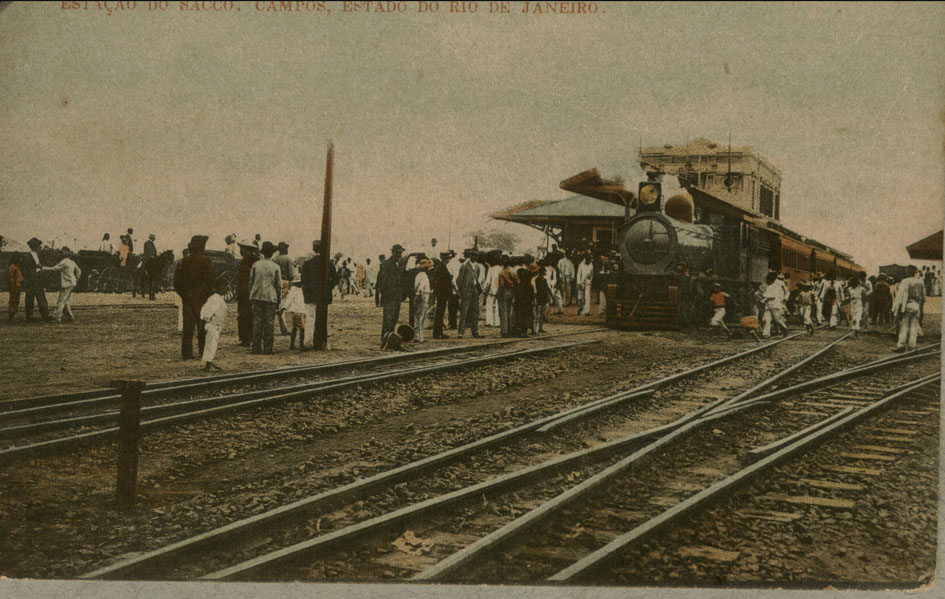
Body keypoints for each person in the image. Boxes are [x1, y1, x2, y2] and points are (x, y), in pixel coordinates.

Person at [173, 235, 213, 360]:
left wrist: (184, 294)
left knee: (188, 327)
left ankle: (187, 353)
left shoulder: (184, 261)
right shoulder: (206, 261)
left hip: (187, 297)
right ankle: (203, 352)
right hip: (201, 298)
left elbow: (176, 282)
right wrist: (204, 294)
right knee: (202, 326)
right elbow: (209, 281)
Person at [300, 239, 337, 350]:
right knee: (322, 319)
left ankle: (308, 342)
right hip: (323, 296)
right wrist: (328, 289)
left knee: (310, 319)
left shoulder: (307, 264)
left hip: (310, 295)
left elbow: (303, 280)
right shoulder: (328, 264)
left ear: (313, 248)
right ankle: (321, 341)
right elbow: (334, 279)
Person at [249, 241, 282, 355]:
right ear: (272, 253)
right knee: (269, 323)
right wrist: (279, 299)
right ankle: (268, 348)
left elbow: (251, 281)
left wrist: (251, 295)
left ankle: (256, 347)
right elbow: (278, 285)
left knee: (257, 322)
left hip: (257, 296)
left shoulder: (255, 265)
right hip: (270, 297)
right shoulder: (276, 267)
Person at [377, 244, 407, 346]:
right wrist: (386, 293)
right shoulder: (386, 264)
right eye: (397, 253)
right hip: (389, 296)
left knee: (394, 317)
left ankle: (390, 338)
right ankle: (385, 339)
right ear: (392, 252)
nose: (399, 255)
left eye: (400, 253)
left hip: (396, 297)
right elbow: (383, 281)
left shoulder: (399, 264)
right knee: (388, 319)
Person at [42, 247, 81, 323]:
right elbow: (79, 271)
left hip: (66, 283)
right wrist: (76, 278)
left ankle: (57, 318)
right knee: (65, 300)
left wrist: (43, 268)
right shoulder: (71, 262)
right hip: (72, 283)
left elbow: (54, 268)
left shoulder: (64, 261)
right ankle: (70, 317)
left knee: (61, 301)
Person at [893, 265, 925, 352]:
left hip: (906, 305)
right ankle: (912, 346)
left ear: (908, 271)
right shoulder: (920, 281)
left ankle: (901, 345)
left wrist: (898, 308)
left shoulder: (905, 281)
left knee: (904, 326)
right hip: (916, 305)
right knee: (914, 326)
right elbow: (923, 296)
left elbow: (900, 296)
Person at [200, 275, 228, 370]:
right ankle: (209, 363)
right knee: (211, 344)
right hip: (213, 324)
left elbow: (204, 309)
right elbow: (209, 311)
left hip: (214, 324)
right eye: (224, 286)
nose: (226, 289)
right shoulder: (216, 299)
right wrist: (206, 320)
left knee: (211, 344)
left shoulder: (215, 298)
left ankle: (209, 362)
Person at [456, 249, 483, 339]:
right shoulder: (464, 266)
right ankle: (461, 332)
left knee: (475, 312)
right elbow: (459, 279)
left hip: (474, 290)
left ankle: (475, 332)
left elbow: (477, 277)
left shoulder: (477, 267)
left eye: (476, 256)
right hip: (466, 291)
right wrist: (462, 290)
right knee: (464, 311)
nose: (474, 257)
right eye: (473, 255)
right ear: (470, 256)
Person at [236, 240, 258, 347]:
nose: (241, 251)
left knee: (249, 315)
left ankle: (249, 337)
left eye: (242, 249)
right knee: (243, 315)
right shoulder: (244, 261)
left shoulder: (255, 261)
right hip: (243, 293)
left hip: (250, 292)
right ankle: (245, 337)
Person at [22, 237, 50, 322]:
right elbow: (26, 268)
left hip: (38, 279)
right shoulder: (27, 256)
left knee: (41, 297)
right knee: (30, 298)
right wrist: (36, 266)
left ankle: (45, 315)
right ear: (35, 247)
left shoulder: (37, 255)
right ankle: (29, 316)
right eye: (39, 246)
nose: (40, 248)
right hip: (31, 279)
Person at [273, 242, 294, 335]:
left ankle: (282, 328)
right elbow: (291, 275)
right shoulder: (288, 259)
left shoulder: (274, 259)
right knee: (283, 306)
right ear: (285, 249)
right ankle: (284, 328)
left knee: (277, 304)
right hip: (285, 281)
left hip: (275, 282)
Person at [432, 252, 453, 339]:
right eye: (448, 258)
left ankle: (439, 332)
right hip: (442, 294)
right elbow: (439, 282)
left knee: (440, 313)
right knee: (439, 313)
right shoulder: (440, 268)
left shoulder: (442, 268)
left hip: (443, 293)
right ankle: (437, 333)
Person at [497, 255, 518, 337]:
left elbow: (502, 284)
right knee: (509, 311)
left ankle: (504, 331)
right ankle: (509, 329)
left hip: (504, 292)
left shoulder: (502, 272)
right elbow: (517, 281)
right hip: (511, 292)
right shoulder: (512, 271)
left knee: (503, 312)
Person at [413, 259, 434, 342]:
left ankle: (419, 336)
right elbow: (420, 287)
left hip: (423, 295)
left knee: (420, 316)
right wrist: (420, 296)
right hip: (423, 296)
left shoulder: (420, 275)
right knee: (421, 316)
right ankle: (418, 336)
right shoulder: (422, 275)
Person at [762, 271, 788, 338]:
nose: (766, 281)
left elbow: (772, 296)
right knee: (766, 319)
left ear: (771, 280)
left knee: (777, 320)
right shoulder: (769, 286)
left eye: (767, 280)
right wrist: (764, 299)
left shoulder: (775, 287)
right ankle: (766, 334)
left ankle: (784, 328)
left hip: (775, 305)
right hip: (768, 306)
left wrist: (765, 299)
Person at [284, 280, 307, 351]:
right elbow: (288, 300)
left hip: (297, 311)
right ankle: (301, 345)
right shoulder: (296, 290)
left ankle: (292, 345)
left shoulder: (295, 290)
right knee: (302, 328)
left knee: (295, 328)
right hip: (298, 311)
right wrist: (283, 307)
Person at [483, 255, 501, 327]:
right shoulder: (501, 268)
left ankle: (489, 322)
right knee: (498, 306)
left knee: (489, 305)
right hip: (499, 290)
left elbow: (488, 281)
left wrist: (484, 290)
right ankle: (498, 322)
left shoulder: (491, 269)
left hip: (492, 290)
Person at [7, 255, 23, 321]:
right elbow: (10, 277)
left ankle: (14, 314)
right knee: (13, 300)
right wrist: (13, 285)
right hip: (14, 286)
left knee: (16, 300)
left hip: (18, 285)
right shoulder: (12, 267)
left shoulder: (18, 267)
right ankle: (11, 315)